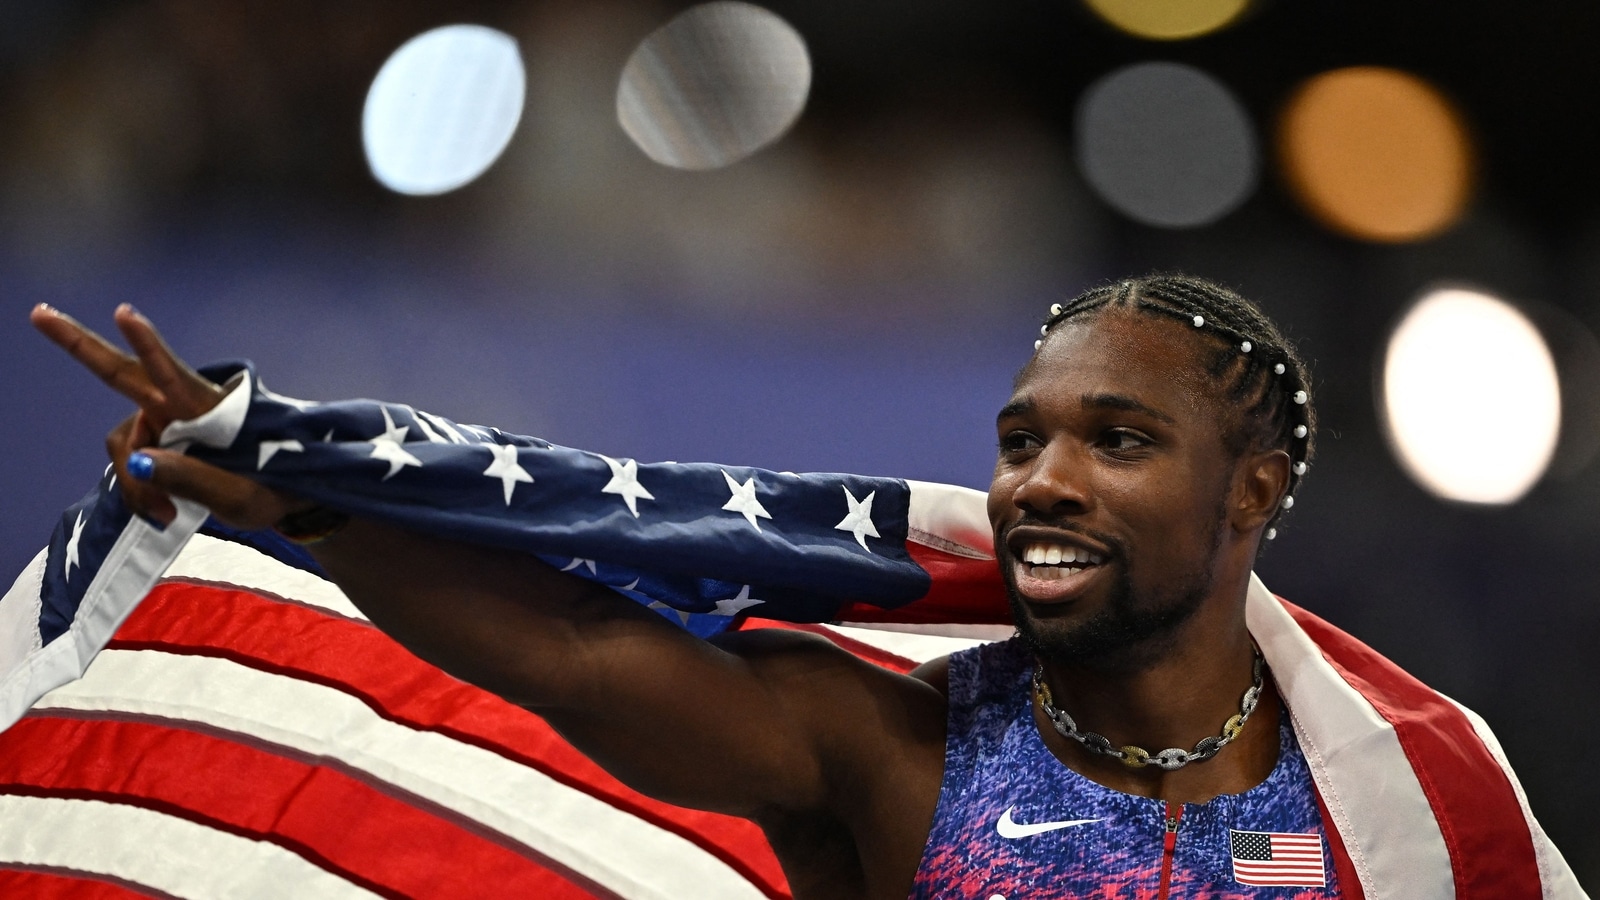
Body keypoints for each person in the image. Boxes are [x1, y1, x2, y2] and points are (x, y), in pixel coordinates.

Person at [29, 275, 1584, 899]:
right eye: (1022, 438)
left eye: (1118, 441)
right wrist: (315, 504)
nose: (1043, 480)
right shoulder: (909, 751)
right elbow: (577, 646)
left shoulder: (1399, 821)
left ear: (1251, 494)